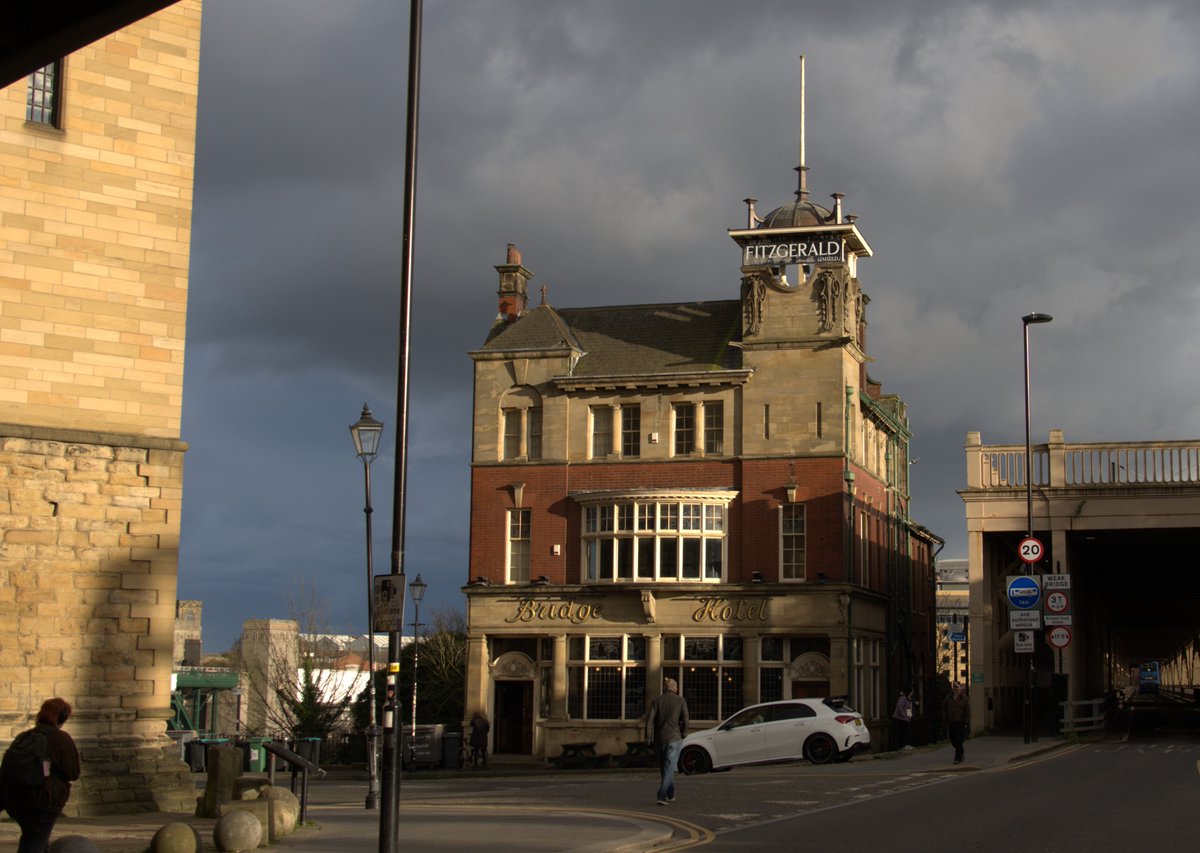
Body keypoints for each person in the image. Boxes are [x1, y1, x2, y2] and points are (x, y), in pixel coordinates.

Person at [1, 697, 81, 853]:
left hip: (15, 799)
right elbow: (73, 773)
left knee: (36, 840)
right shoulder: (61, 739)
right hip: (43, 800)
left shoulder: (25, 736)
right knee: (33, 845)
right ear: (62, 717)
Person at [645, 678, 688, 806]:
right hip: (674, 738)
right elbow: (685, 718)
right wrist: (684, 733)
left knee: (665, 768)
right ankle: (661, 795)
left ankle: (671, 793)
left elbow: (649, 720)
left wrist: (648, 737)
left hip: (660, 739)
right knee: (669, 768)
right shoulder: (680, 700)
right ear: (675, 689)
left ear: (664, 688)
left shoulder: (656, 700)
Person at [943, 682, 970, 764]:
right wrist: (945, 717)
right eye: (955, 687)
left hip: (960, 722)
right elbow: (943, 708)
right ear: (953, 688)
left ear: (960, 688)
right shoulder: (948, 698)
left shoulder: (964, 699)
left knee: (958, 739)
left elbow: (968, 711)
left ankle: (957, 758)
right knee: (953, 740)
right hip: (951, 722)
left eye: (957, 687)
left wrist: (966, 721)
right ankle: (961, 751)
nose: (956, 689)